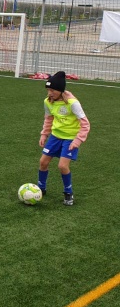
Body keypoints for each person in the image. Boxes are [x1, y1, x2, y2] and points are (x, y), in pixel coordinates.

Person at [38, 71, 90, 206]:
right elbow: (48, 120)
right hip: (55, 137)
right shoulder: (48, 102)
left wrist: (77, 140)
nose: (49, 93)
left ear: (60, 90)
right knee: (43, 162)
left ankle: (68, 193)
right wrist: (44, 135)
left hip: (70, 139)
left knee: (62, 166)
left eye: (52, 90)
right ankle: (40, 189)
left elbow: (85, 124)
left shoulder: (73, 103)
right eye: (48, 89)